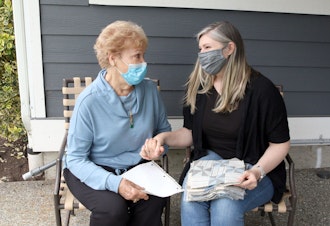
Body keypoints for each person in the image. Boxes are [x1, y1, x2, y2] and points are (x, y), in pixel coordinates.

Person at [141, 21, 290, 226]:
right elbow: (190, 133)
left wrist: (257, 171)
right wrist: (163, 137)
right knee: (191, 200)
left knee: (225, 208)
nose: (202, 54)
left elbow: (280, 144)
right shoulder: (200, 87)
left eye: (208, 48)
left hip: (255, 165)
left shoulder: (262, 91)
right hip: (210, 162)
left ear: (229, 48)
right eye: (200, 49)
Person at [63, 20, 171, 226]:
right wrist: (116, 184)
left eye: (143, 55)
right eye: (137, 56)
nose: (143, 62)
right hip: (92, 169)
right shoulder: (89, 101)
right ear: (113, 59)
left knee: (153, 201)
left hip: (137, 168)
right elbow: (76, 159)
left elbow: (163, 132)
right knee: (113, 209)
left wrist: (158, 147)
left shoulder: (149, 91)